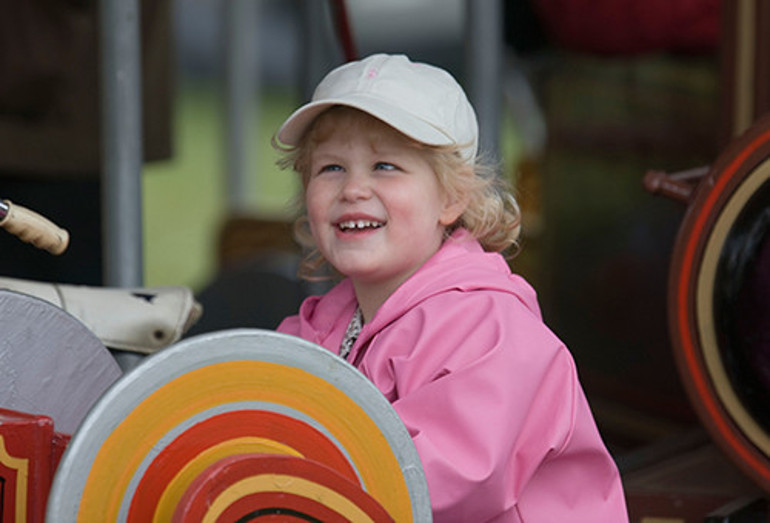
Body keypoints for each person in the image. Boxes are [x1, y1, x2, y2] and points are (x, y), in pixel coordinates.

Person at [273, 53, 628, 522]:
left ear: (452, 198)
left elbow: (439, 480)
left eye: (385, 166)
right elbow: (260, 414)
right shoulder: (314, 332)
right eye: (331, 168)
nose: (353, 189)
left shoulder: (492, 330)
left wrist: (291, 483)